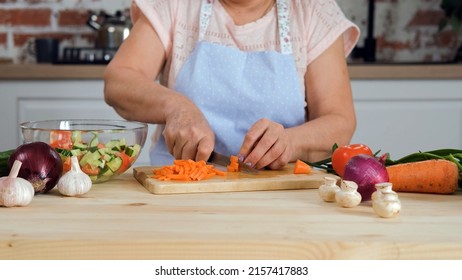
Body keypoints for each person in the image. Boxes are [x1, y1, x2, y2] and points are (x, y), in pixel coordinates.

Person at [104, 0, 360, 170]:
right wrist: (176, 107)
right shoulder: (175, 4)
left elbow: (339, 120)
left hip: (282, 197)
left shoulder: (312, 11)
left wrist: (290, 143)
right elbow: (119, 80)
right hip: (180, 193)